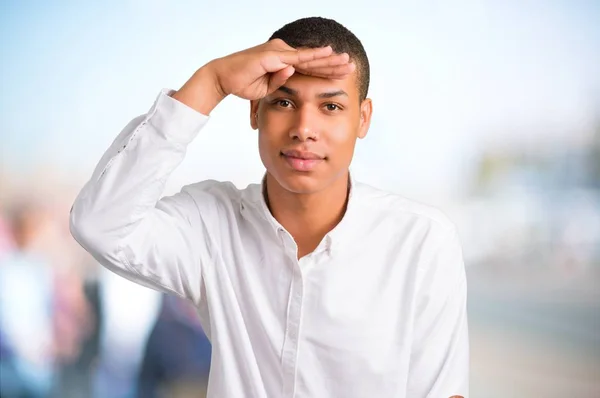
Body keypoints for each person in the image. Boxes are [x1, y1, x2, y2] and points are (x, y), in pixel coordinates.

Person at [70, 16, 469, 398]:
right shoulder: (212, 224)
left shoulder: (422, 241)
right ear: (254, 111)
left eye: (331, 107)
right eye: (283, 102)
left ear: (362, 119)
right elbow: (100, 226)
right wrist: (211, 81)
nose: (304, 129)